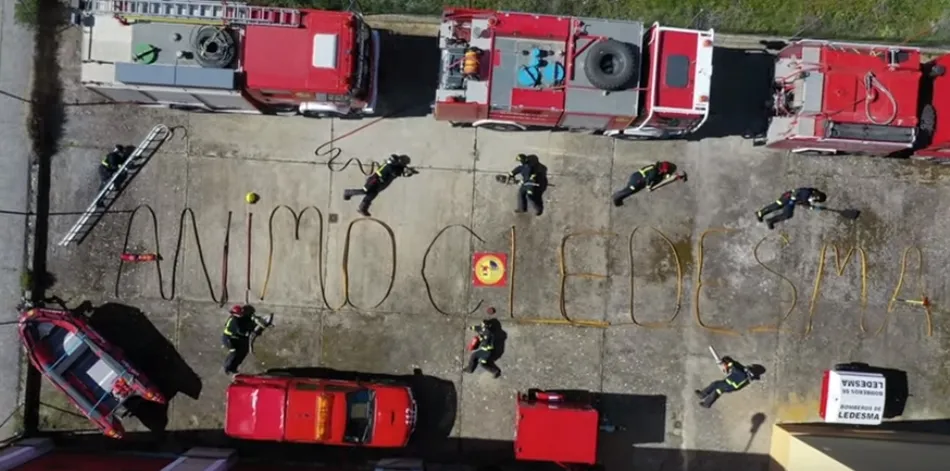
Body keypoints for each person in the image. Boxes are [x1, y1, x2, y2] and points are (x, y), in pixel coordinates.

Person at [343, 154, 412, 217]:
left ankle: (362, 208)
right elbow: (395, 173)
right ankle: (348, 192)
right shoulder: (389, 167)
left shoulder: (395, 166)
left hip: (379, 183)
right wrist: (406, 172)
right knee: (365, 191)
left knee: (372, 195)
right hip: (374, 180)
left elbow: (399, 170)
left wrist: (406, 171)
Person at [222, 304, 268, 375]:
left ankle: (234, 367)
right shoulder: (235, 321)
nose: (242, 314)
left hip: (235, 338)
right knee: (234, 353)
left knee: (243, 351)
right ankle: (228, 368)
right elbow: (241, 331)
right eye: (240, 314)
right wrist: (251, 332)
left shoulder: (238, 318)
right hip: (229, 339)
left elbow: (245, 321)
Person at [755, 187, 827, 229]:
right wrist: (793, 199)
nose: (814, 200)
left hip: (792, 201)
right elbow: (798, 194)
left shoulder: (810, 195)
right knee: (777, 206)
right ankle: (761, 214)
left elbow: (805, 204)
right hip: (788, 198)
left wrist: (815, 208)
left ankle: (768, 219)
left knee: (787, 214)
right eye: (816, 199)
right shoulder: (807, 192)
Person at [612, 161, 677, 206]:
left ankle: (619, 197)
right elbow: (649, 179)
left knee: (632, 191)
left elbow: (655, 177)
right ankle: (616, 197)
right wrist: (648, 187)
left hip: (637, 176)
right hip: (637, 180)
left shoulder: (653, 167)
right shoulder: (654, 172)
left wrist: (664, 176)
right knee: (629, 190)